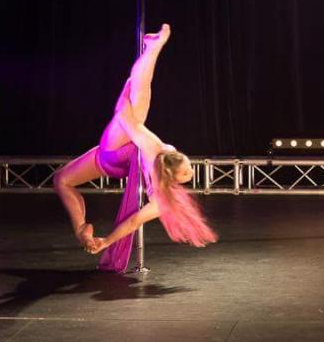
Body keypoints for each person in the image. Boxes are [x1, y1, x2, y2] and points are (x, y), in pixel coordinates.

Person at [53, 24, 217, 271]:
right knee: (62, 179)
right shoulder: (160, 186)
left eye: (187, 170)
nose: (192, 171)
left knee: (138, 102)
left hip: (112, 154)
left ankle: (153, 49)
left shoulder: (157, 149)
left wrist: (125, 94)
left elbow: (125, 116)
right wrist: (106, 241)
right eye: (189, 168)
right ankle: (81, 230)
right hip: (113, 156)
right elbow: (133, 222)